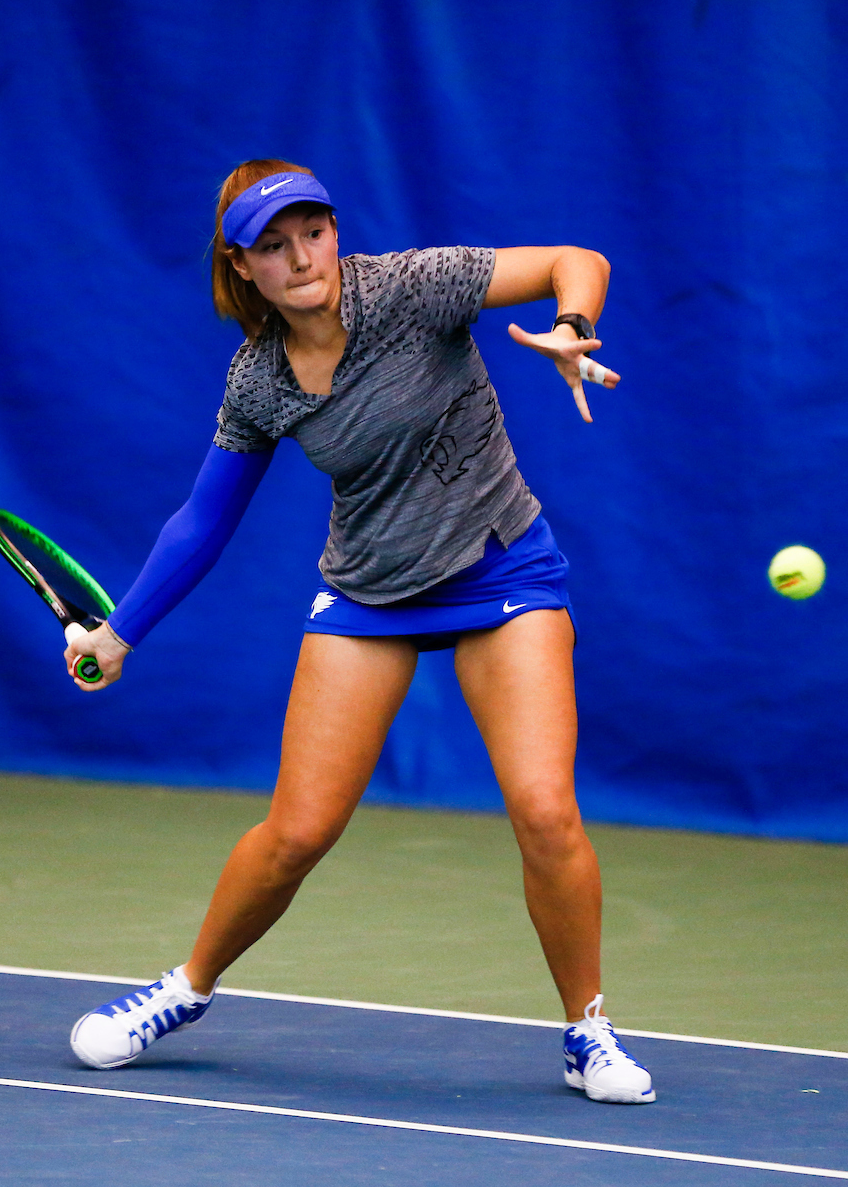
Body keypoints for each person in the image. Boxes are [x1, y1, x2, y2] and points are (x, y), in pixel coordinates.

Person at [66, 158, 654, 1105]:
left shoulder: (414, 288)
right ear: (242, 266)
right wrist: (121, 632)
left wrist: (575, 328)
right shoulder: (257, 380)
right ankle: (185, 988)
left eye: (314, 230)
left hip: (501, 567)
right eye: (273, 244)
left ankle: (588, 1031)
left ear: (336, 232)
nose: (302, 256)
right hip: (371, 593)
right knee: (297, 832)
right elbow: (203, 520)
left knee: (546, 810)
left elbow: (572, 259)